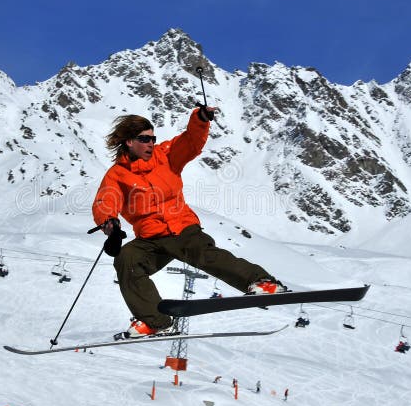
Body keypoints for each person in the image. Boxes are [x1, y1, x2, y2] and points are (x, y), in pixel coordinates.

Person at [93, 107, 287, 337]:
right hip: (150, 237)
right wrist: (110, 224)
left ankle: (262, 282)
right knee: (127, 259)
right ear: (128, 142)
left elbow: (190, 142)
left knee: (203, 254)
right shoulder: (117, 174)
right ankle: (155, 320)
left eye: (152, 138)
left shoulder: (165, 156)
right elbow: (105, 201)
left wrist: (200, 120)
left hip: (181, 226)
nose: (150, 144)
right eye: (144, 139)